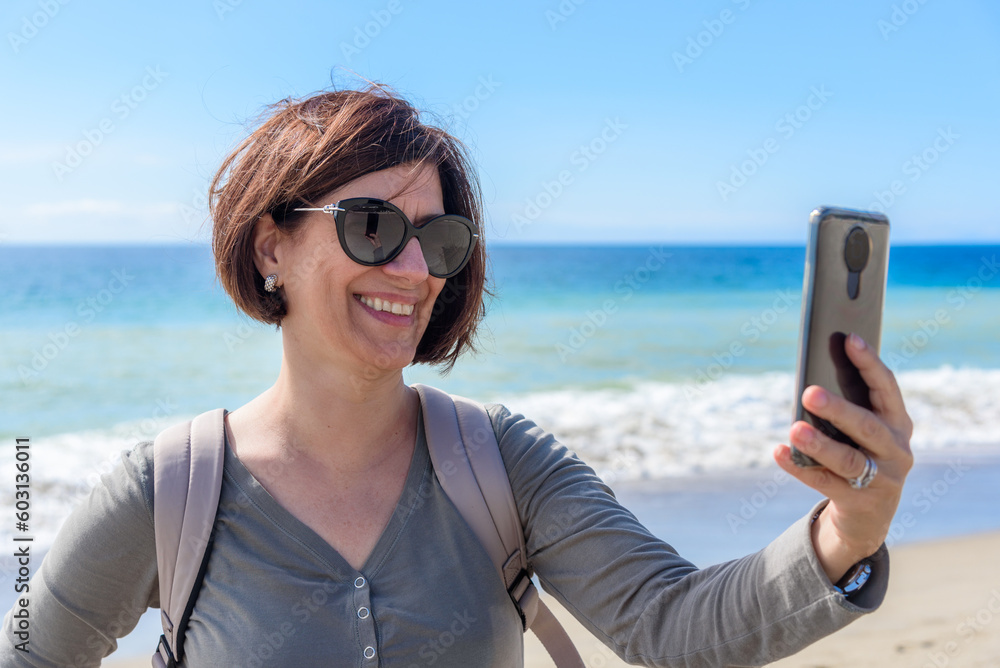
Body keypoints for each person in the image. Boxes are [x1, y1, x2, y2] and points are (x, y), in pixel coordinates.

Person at [2, 84, 913, 667]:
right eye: (370, 228)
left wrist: (846, 531)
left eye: (438, 240)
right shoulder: (172, 491)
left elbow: (672, 624)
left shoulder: (501, 465)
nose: (411, 271)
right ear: (270, 243)